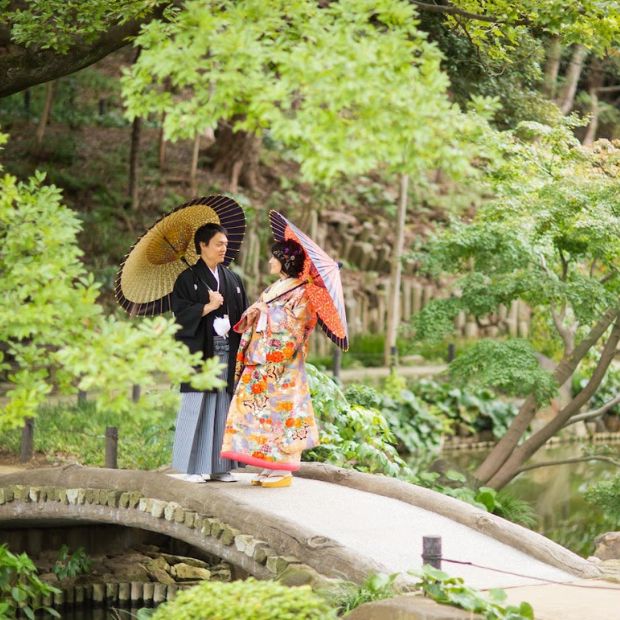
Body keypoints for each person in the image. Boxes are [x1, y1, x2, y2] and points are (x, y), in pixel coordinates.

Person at [220, 238, 319, 488]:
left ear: (285, 261)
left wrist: (269, 313)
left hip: (282, 366)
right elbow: (256, 314)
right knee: (255, 411)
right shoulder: (275, 288)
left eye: (274, 257)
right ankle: (267, 463)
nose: (270, 261)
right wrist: (254, 312)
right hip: (260, 359)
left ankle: (283, 468)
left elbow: (298, 326)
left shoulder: (302, 291)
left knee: (281, 413)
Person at [170, 223, 248, 482]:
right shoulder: (186, 280)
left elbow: (241, 314)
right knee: (198, 405)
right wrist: (207, 307)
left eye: (225, 244)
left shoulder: (232, 279)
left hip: (227, 349)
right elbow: (180, 318)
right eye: (218, 244)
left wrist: (238, 322)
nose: (223, 248)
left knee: (222, 407)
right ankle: (192, 467)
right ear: (202, 245)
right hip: (200, 351)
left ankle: (219, 466)